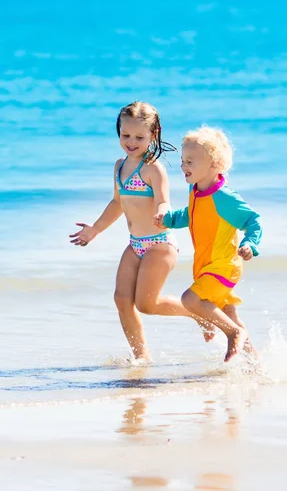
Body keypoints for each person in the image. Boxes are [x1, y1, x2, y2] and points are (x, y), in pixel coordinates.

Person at [70, 102, 214, 361]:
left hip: (160, 244)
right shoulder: (119, 167)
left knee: (147, 304)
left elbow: (163, 199)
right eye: (125, 135)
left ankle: (198, 312)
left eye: (139, 137)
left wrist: (162, 212)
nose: (131, 142)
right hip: (135, 244)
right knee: (121, 299)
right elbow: (117, 203)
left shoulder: (152, 168)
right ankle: (142, 357)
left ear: (153, 135)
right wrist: (95, 230)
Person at [154, 126, 262, 362]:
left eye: (191, 161)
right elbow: (192, 215)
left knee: (189, 300)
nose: (183, 166)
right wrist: (171, 219)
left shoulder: (224, 197)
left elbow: (252, 220)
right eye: (183, 160)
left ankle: (234, 333)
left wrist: (250, 244)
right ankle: (257, 365)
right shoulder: (197, 191)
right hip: (207, 266)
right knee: (229, 314)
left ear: (214, 163)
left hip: (223, 267)